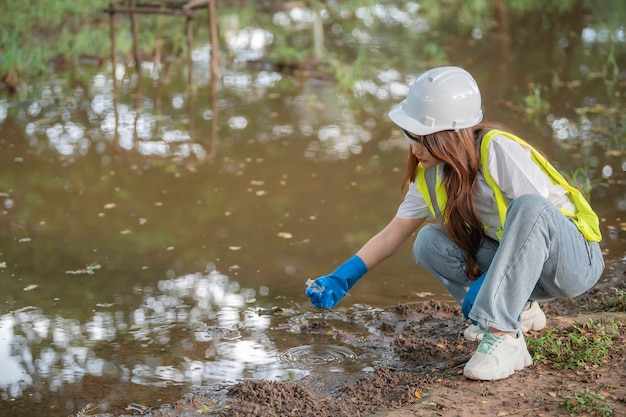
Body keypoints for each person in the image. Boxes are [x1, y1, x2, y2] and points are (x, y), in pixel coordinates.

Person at [304, 66, 605, 381]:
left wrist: (489, 287)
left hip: (573, 262)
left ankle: (504, 336)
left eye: (422, 139)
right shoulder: (432, 174)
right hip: (527, 267)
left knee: (528, 207)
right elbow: (392, 234)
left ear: (449, 135)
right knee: (428, 242)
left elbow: (539, 216)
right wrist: (342, 278)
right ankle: (519, 310)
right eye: (410, 136)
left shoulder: (495, 148)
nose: (414, 148)